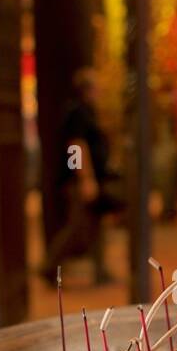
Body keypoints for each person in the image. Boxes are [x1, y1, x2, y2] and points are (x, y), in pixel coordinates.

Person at [43, 68, 120, 284]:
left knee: (94, 226)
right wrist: (84, 177)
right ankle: (49, 266)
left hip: (91, 178)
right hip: (80, 181)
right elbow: (75, 145)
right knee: (77, 227)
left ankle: (100, 271)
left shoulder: (87, 111)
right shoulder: (77, 113)